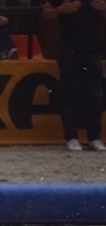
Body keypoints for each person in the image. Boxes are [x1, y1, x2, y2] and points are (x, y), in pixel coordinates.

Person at [43, 0, 106, 151]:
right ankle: (72, 137)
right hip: (69, 48)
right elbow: (45, 13)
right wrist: (61, 10)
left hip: (93, 48)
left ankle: (94, 137)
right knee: (70, 92)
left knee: (95, 94)